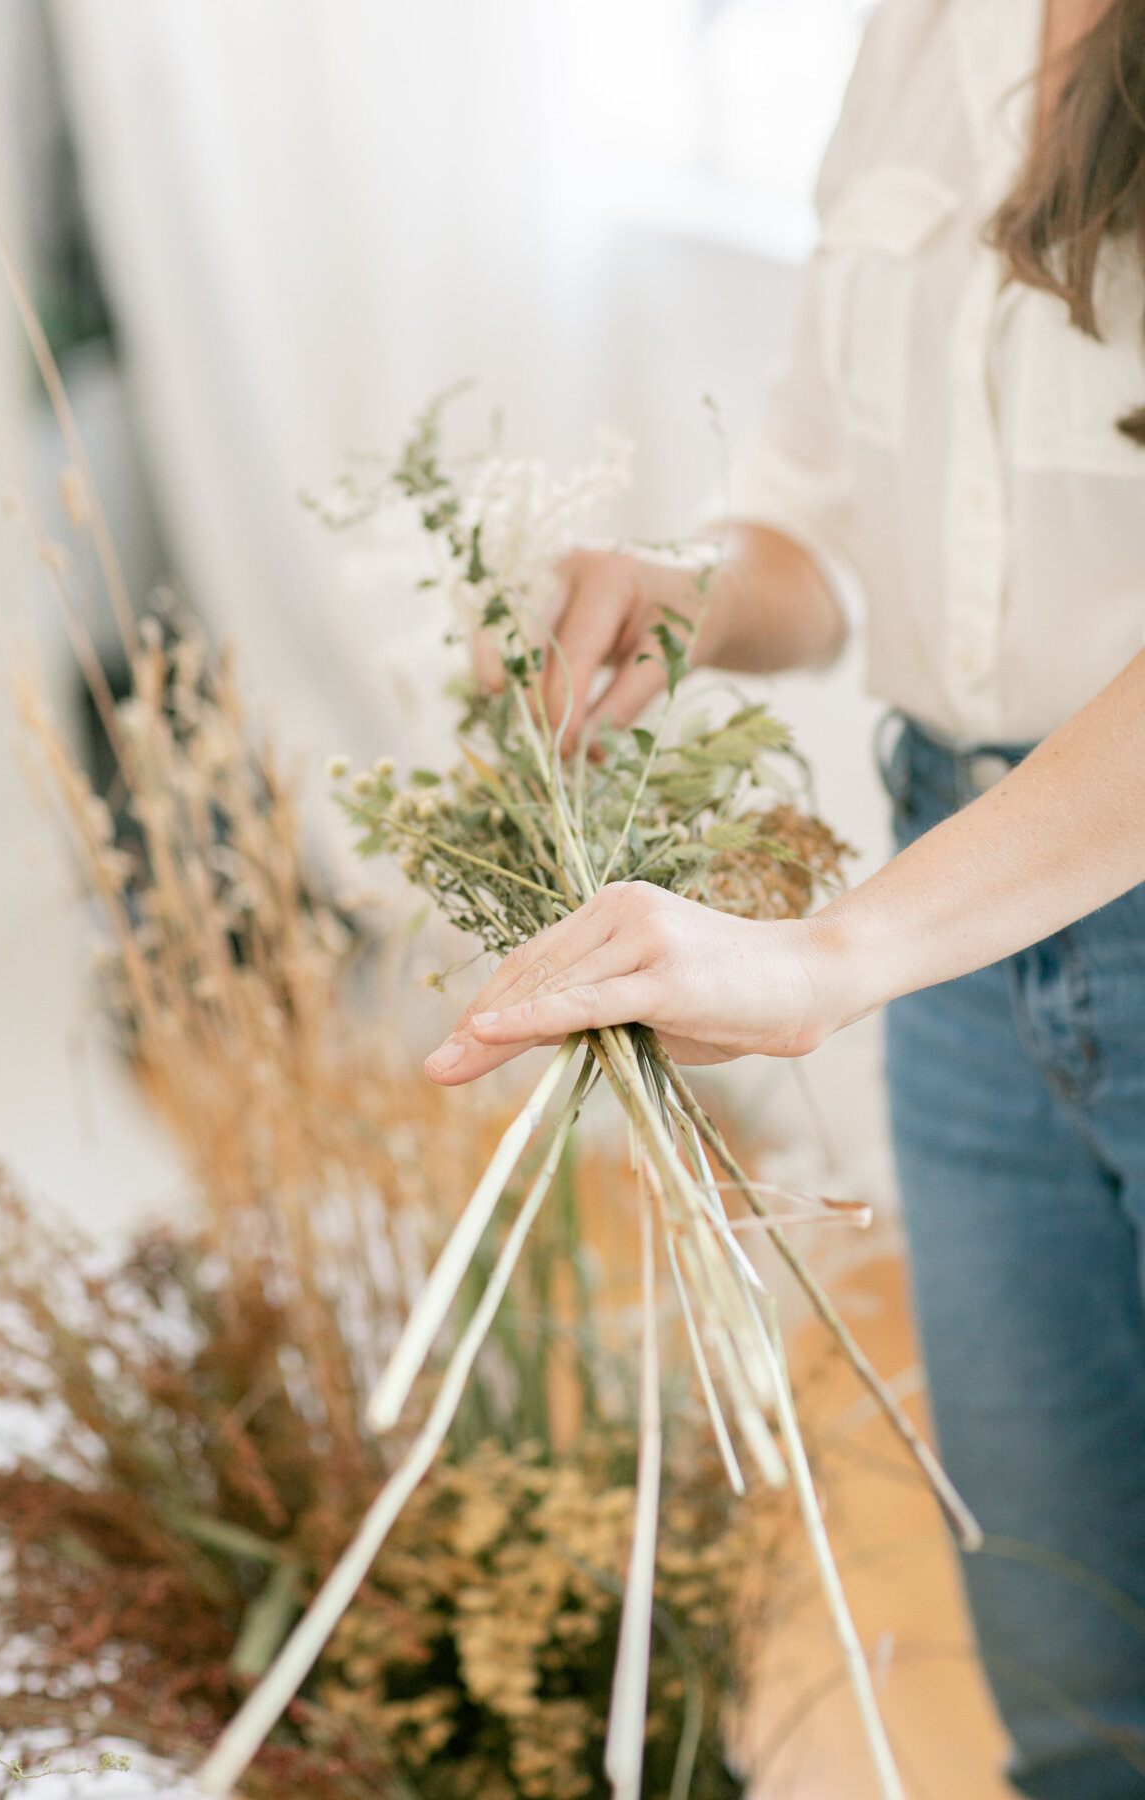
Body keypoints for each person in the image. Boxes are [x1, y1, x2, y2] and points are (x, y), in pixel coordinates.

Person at [427, 0, 1145, 1793]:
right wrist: (679, 593)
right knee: (1070, 1681)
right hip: (972, 945)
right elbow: (824, 531)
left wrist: (838, 954)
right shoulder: (922, 33)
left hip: (950, 920)